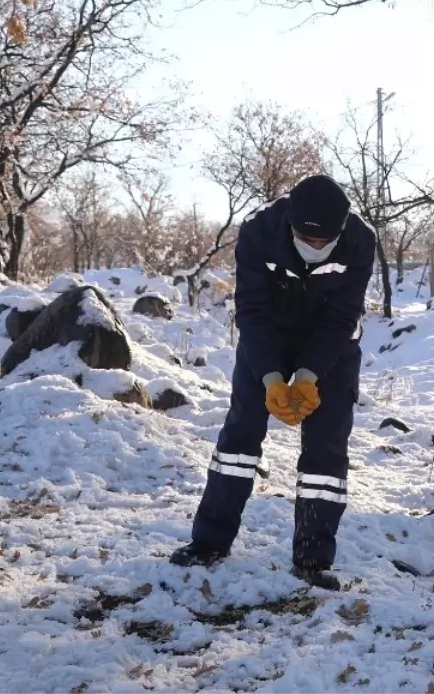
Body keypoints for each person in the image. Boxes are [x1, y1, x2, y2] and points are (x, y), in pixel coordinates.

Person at [169, 174, 374, 590]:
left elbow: (342, 316)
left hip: (331, 347)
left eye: (325, 242)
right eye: (306, 239)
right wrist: (271, 377)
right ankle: (209, 542)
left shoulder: (359, 240)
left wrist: (309, 375)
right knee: (239, 439)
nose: (315, 248)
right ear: (290, 225)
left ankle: (313, 560)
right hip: (267, 340)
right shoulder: (259, 229)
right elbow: (252, 309)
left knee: (327, 449)